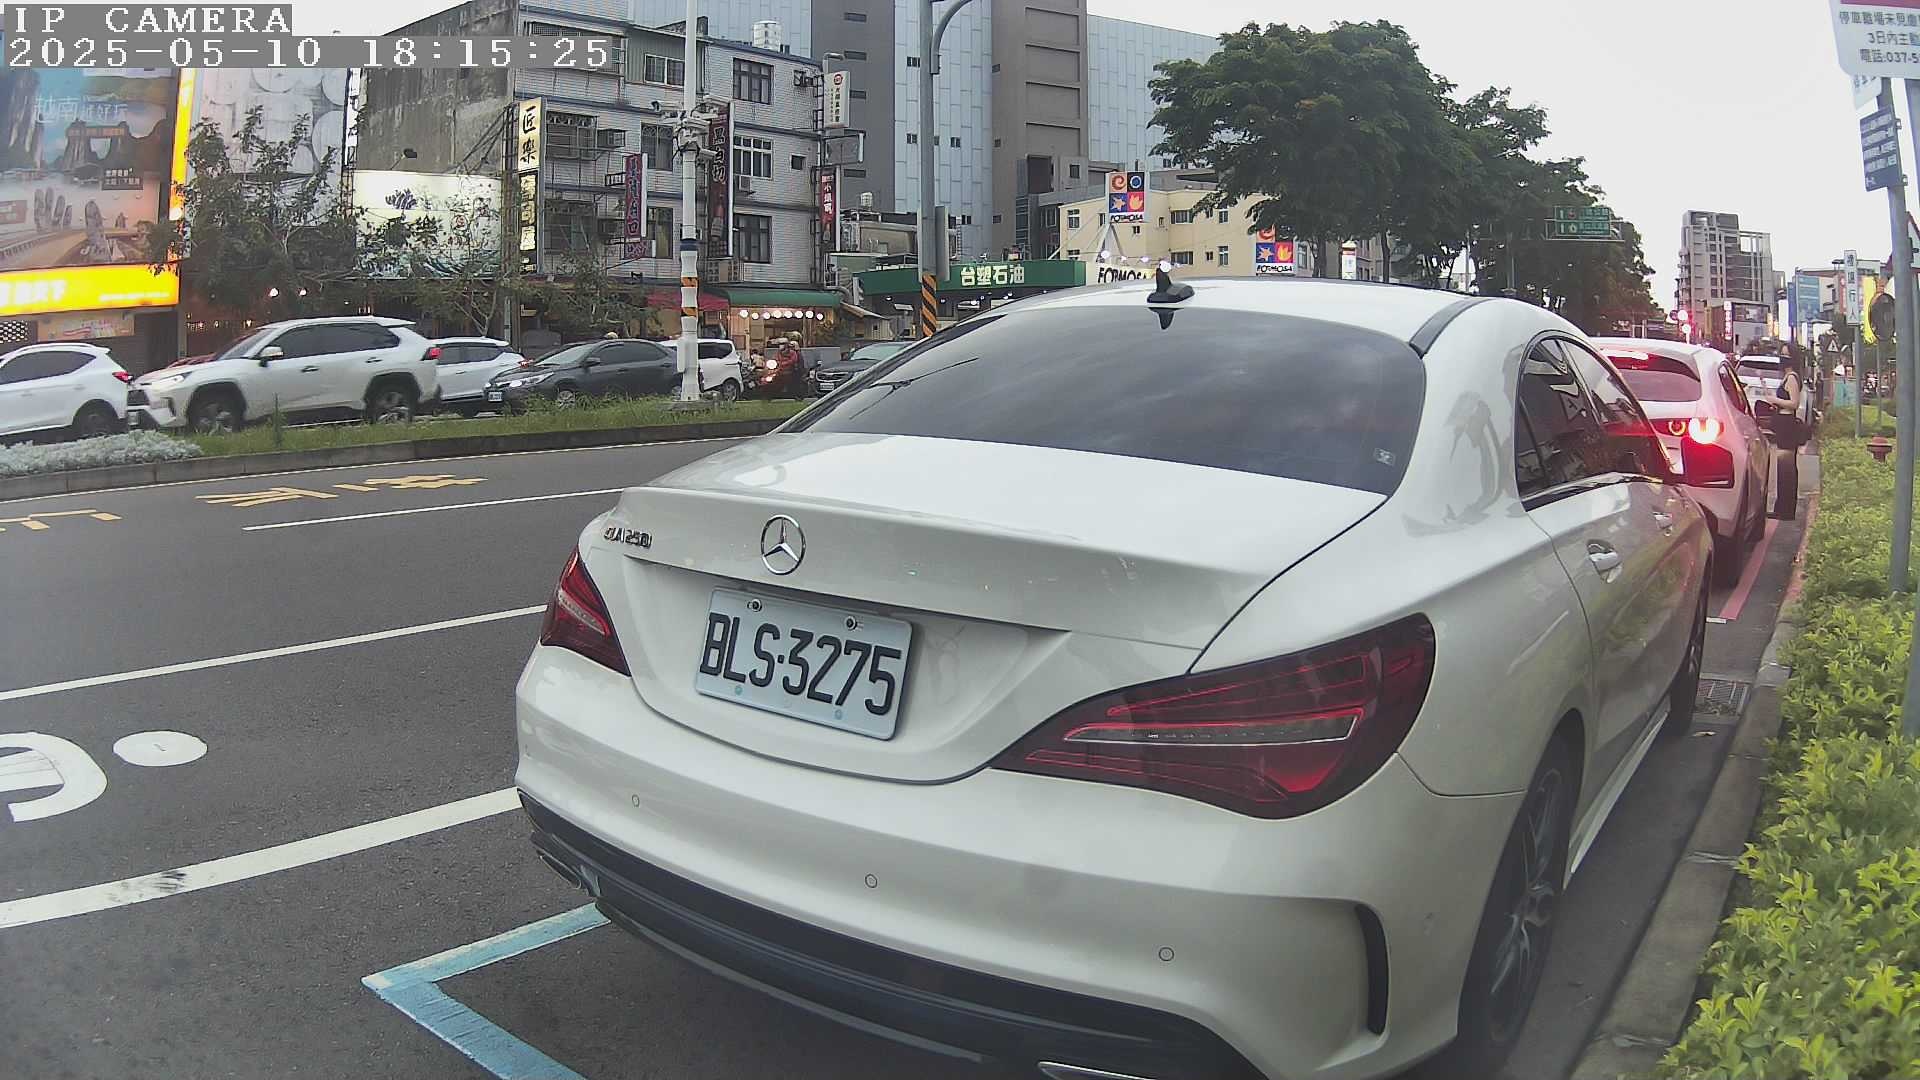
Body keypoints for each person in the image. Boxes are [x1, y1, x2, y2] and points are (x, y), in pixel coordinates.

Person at [1770, 353, 1807, 521]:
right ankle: (1781, 507)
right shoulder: (1787, 377)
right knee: (1783, 469)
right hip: (1782, 423)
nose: (1782, 357)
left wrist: (1775, 400)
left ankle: (1786, 510)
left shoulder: (1792, 378)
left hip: (1787, 425)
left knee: (1787, 469)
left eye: (1786, 354)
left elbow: (1794, 403)